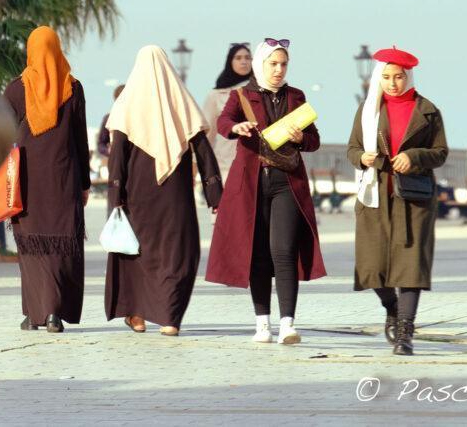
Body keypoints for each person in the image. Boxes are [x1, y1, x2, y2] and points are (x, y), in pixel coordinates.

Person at [205, 38, 326, 345]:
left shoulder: (296, 96)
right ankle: (262, 323)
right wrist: (237, 128)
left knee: (283, 251)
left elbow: (314, 140)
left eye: (283, 64)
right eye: (273, 63)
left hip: (287, 181)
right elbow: (222, 122)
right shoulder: (242, 95)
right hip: (251, 182)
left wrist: (300, 139)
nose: (278, 69)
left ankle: (288, 323)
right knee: (258, 253)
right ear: (262, 64)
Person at [105, 46, 223, 337]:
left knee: (136, 253)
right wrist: (215, 195)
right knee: (177, 252)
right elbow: (204, 151)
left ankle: (139, 316)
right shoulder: (182, 102)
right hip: (175, 196)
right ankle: (170, 318)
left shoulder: (126, 105)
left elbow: (117, 157)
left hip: (137, 195)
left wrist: (114, 199)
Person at [347, 47, 448, 356]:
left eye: (399, 77)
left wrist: (412, 156)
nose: (393, 84)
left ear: (408, 77)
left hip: (414, 200)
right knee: (371, 265)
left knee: (411, 265)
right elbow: (351, 149)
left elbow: (440, 152)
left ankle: (405, 331)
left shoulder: (428, 110)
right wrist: (362, 157)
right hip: (374, 197)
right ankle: (391, 307)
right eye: (387, 77)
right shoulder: (368, 110)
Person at [3, 26, 90, 334]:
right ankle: (48, 312)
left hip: (27, 181)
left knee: (31, 246)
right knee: (59, 244)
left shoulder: (16, 89)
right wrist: (85, 183)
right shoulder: (73, 88)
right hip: (64, 178)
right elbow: (80, 140)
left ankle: (39, 312)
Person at [202, 43, 253, 182]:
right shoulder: (216, 95)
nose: (244, 61)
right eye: (238, 58)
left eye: (248, 57)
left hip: (256, 160)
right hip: (226, 164)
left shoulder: (261, 90)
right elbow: (208, 132)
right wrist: (199, 163)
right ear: (230, 61)